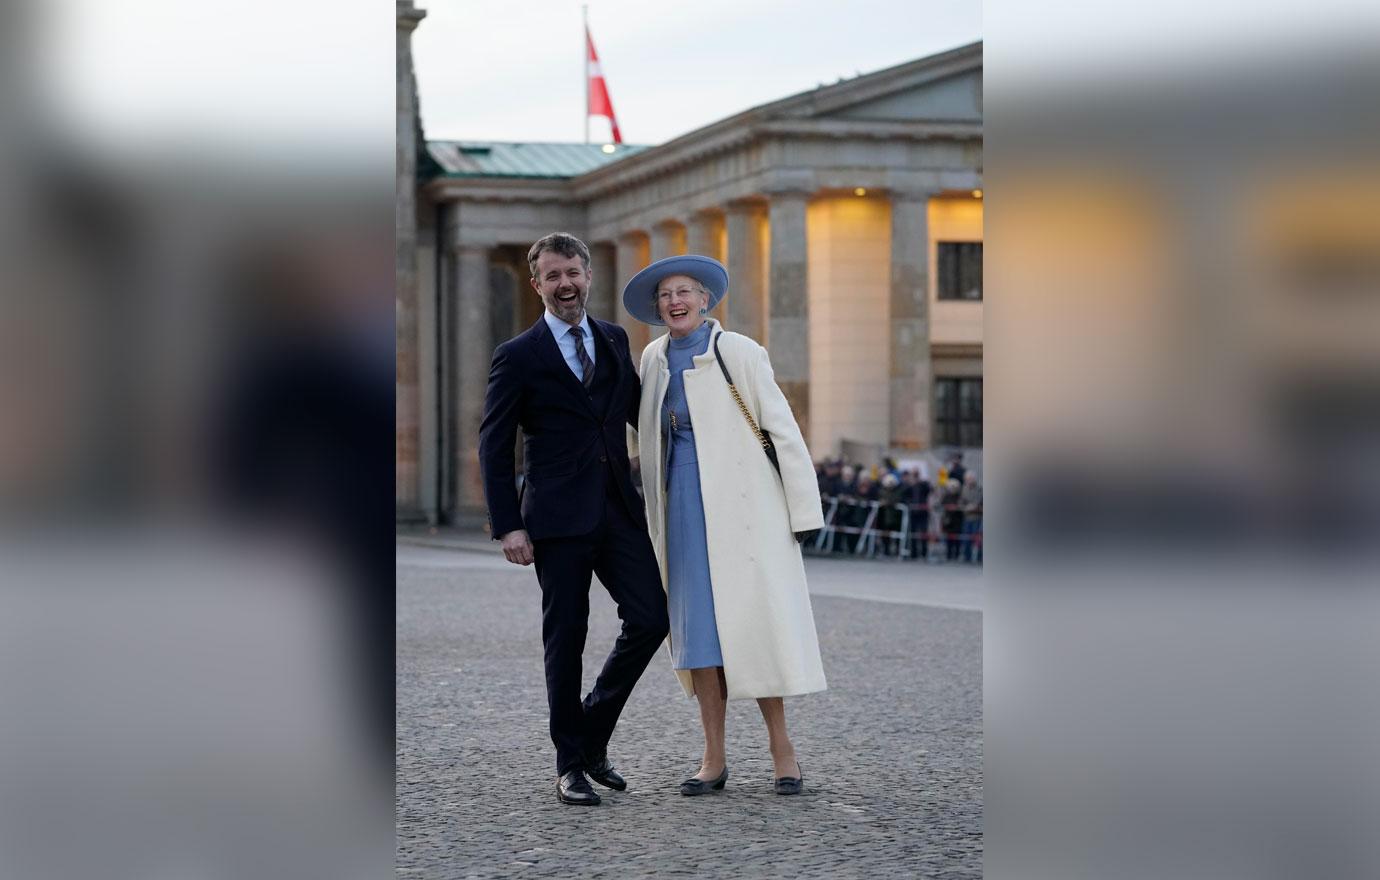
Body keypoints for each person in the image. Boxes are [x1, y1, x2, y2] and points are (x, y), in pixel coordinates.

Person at [477, 232, 669, 807]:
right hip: (555, 519)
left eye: (573, 273)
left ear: (589, 276)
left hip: (617, 508)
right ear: (537, 285)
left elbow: (641, 414)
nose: (565, 284)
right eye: (553, 276)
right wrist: (508, 523)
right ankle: (571, 765)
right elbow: (493, 443)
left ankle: (590, 733)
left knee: (652, 616)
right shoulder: (517, 354)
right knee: (567, 638)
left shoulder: (612, 338)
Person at [623, 254, 826, 797]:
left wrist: (804, 510)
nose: (675, 302)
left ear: (706, 300)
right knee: (699, 639)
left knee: (753, 628)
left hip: (744, 513)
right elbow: (641, 438)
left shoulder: (737, 351)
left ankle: (782, 747)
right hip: (681, 508)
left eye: (684, 292)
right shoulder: (652, 358)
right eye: (665, 296)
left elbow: (781, 428)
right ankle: (713, 755)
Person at [960, 471, 983, 562]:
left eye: (971, 479)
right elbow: (961, 502)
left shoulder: (979, 489)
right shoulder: (964, 489)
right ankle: (967, 557)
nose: (969, 480)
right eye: (967, 479)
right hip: (967, 517)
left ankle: (979, 557)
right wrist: (965, 507)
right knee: (966, 538)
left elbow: (979, 500)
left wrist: (974, 506)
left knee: (978, 539)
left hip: (977, 517)